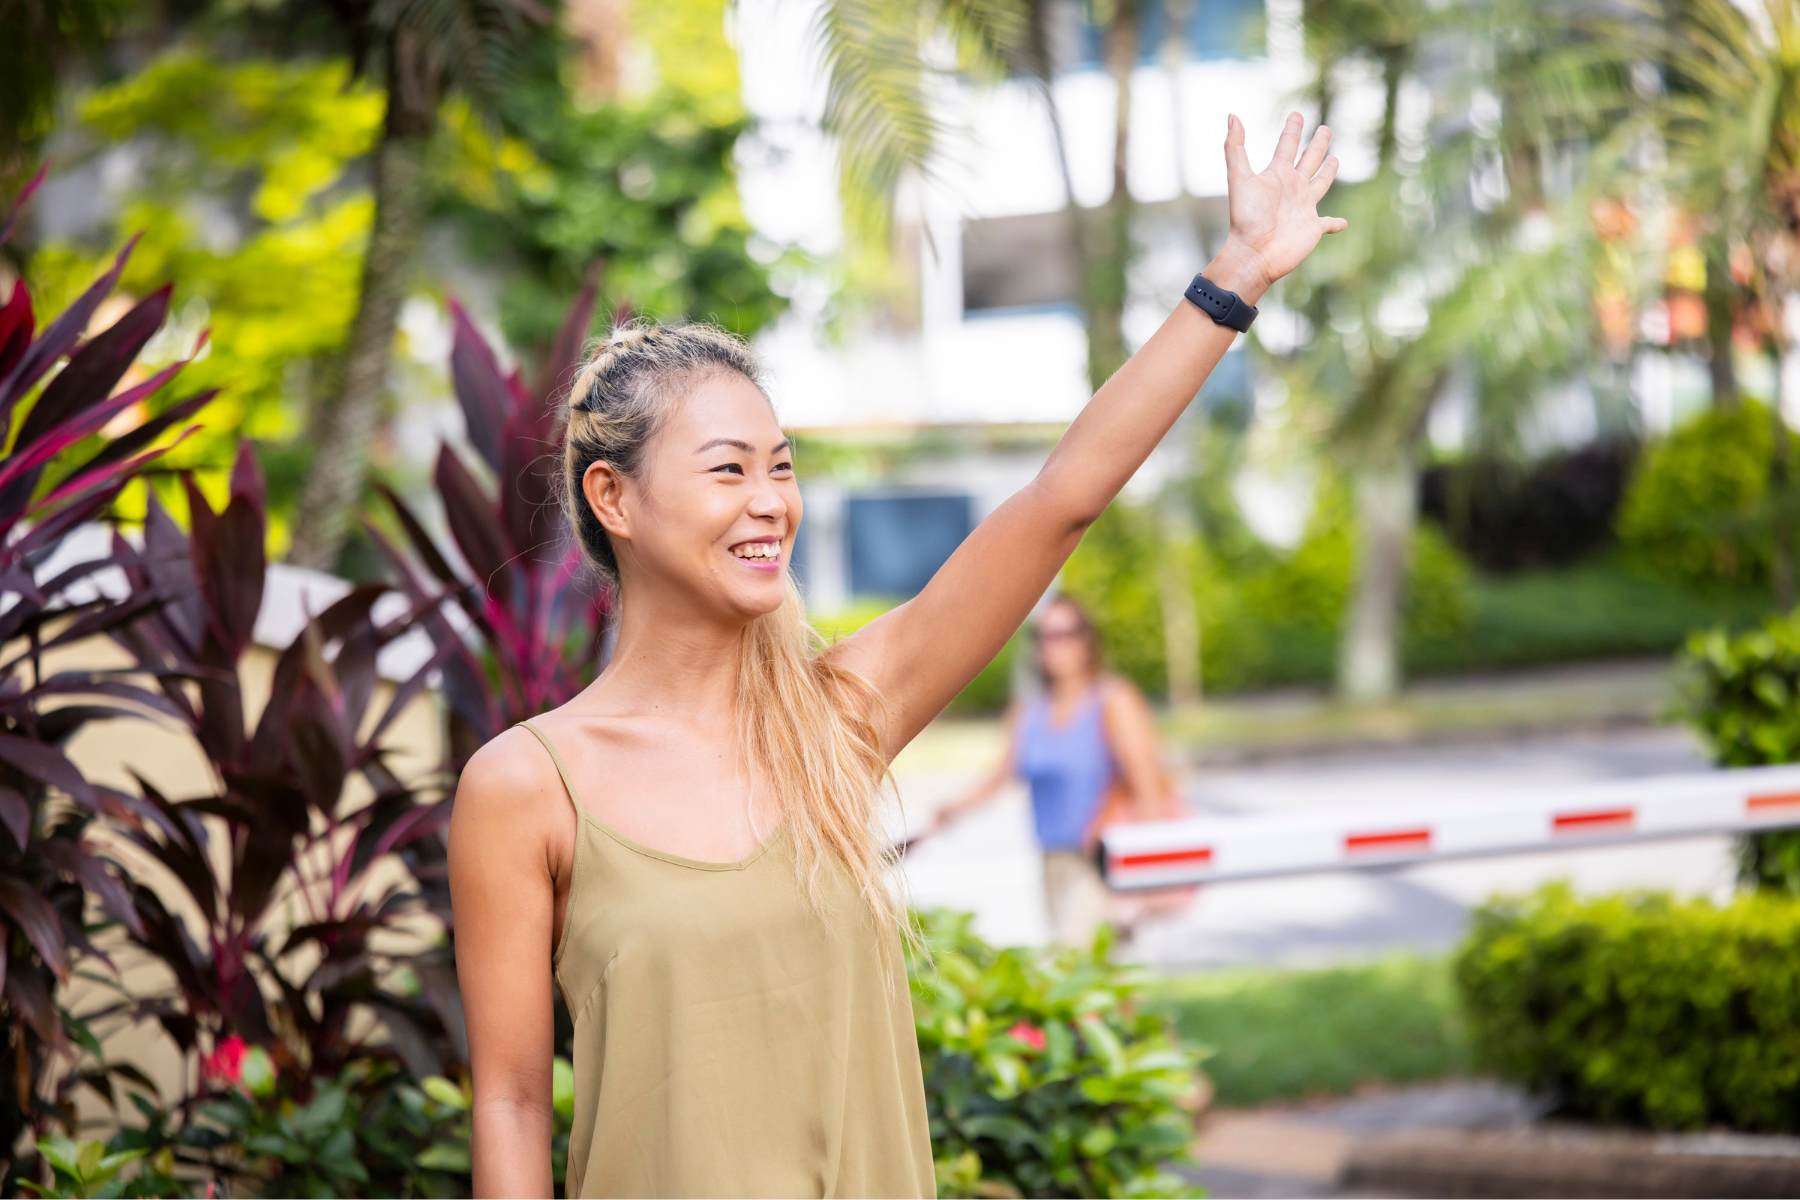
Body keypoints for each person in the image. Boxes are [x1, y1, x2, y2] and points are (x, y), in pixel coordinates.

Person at [449, 112, 1345, 1199]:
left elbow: (1060, 500)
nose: (771, 501)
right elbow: (505, 1099)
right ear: (613, 498)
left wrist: (1234, 276)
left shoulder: (839, 717)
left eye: (780, 468)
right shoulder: (527, 787)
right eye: (728, 471)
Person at [926, 596, 1185, 947]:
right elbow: (999, 777)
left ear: (1087, 641)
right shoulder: (1030, 711)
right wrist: (948, 813)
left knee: (1074, 968)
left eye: (1065, 634)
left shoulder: (1112, 700)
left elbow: (1148, 786)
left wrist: (1149, 875)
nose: (1053, 646)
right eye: (1044, 636)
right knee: (1091, 980)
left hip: (1099, 859)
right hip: (1051, 860)